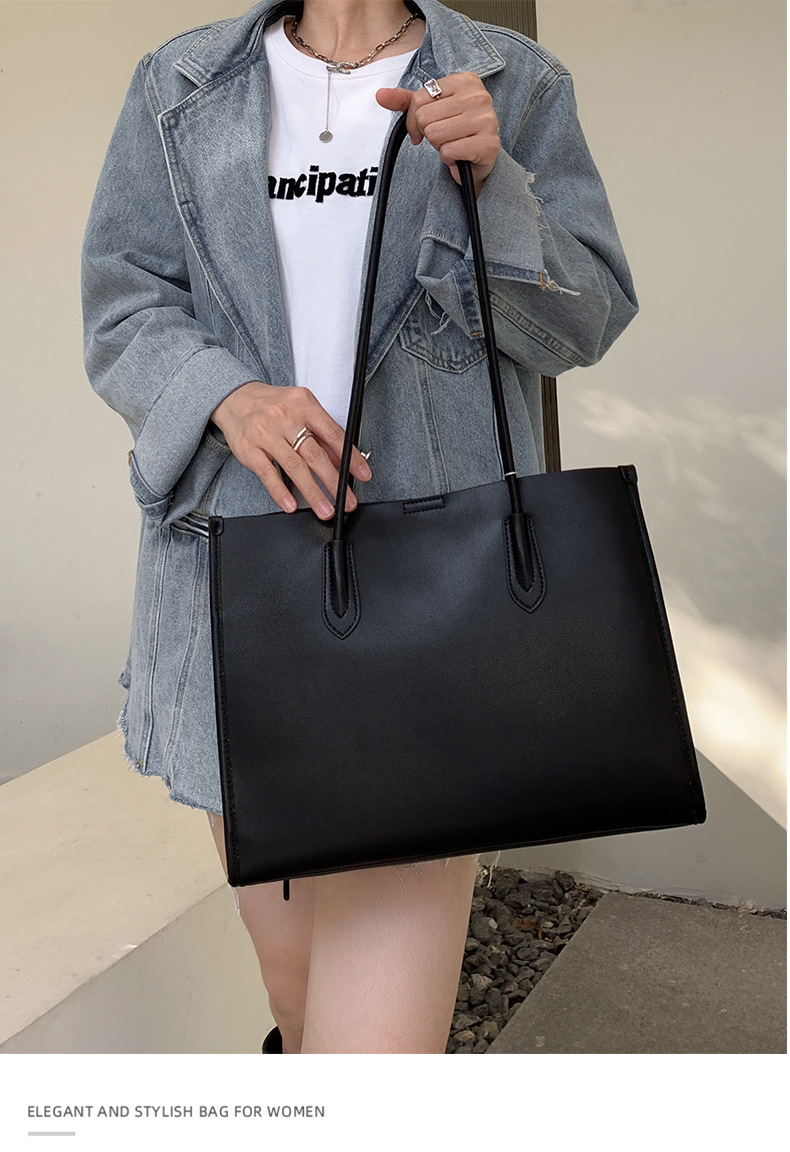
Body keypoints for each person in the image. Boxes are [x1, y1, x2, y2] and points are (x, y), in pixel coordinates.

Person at [81, 0, 637, 1055]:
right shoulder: (182, 84)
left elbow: (585, 321)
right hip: (238, 599)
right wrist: (227, 396)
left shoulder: (512, 82)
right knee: (297, 1012)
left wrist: (494, 186)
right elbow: (123, 305)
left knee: (370, 1062)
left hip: (437, 611)